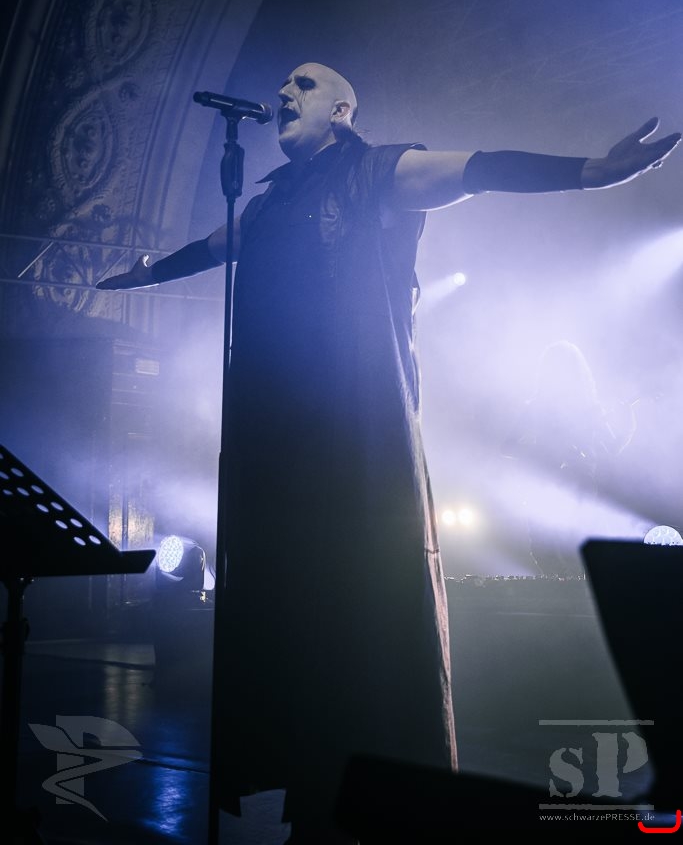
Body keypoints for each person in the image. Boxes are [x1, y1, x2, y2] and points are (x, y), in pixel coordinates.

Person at [96, 62, 680, 843]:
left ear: (341, 110)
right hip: (273, 428)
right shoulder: (265, 203)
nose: (284, 93)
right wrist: (144, 275)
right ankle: (306, 786)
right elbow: (207, 248)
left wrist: (589, 172)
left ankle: (370, 785)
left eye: (304, 84)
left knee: (357, 596)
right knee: (283, 602)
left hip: (354, 426)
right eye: (283, 85)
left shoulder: (380, 169)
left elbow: (479, 170)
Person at [502, 339, 638, 577]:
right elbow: (509, 447)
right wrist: (538, 455)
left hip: (577, 489)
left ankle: (569, 590)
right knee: (548, 551)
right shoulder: (537, 408)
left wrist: (628, 422)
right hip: (548, 487)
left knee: (568, 551)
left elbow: (609, 450)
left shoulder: (588, 410)